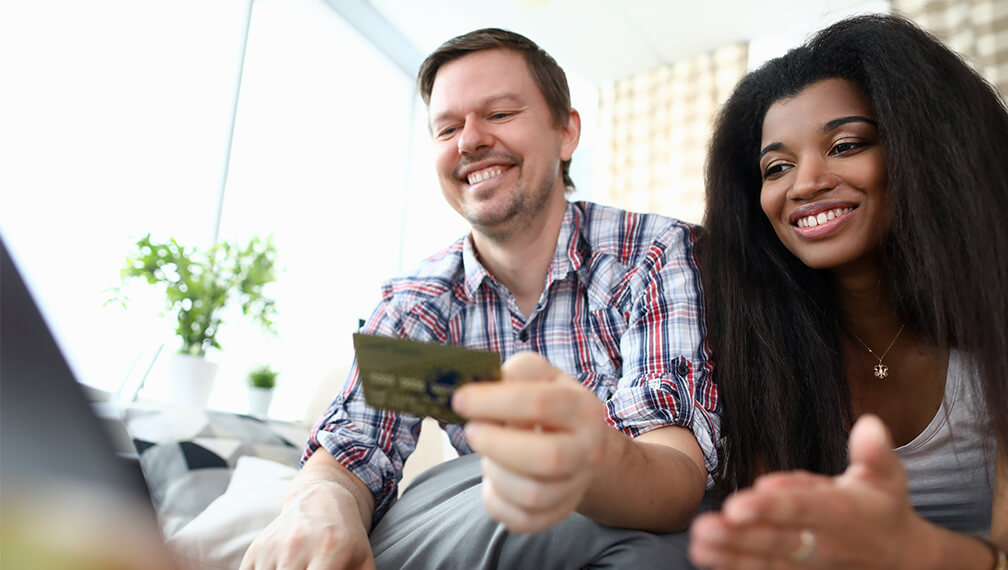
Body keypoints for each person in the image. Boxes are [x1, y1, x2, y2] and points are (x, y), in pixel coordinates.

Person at [241, 28, 719, 569]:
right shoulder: (416, 303)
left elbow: (677, 475)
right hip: (488, 519)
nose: (469, 141)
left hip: (606, 521)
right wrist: (318, 502)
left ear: (566, 132)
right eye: (448, 127)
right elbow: (356, 447)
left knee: (662, 551)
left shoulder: (652, 255)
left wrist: (585, 457)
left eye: (498, 114)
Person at [689, 14, 1008, 570]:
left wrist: (917, 553)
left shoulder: (995, 321)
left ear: (926, 151)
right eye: (777, 166)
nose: (805, 183)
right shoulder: (763, 349)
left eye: (846, 144)